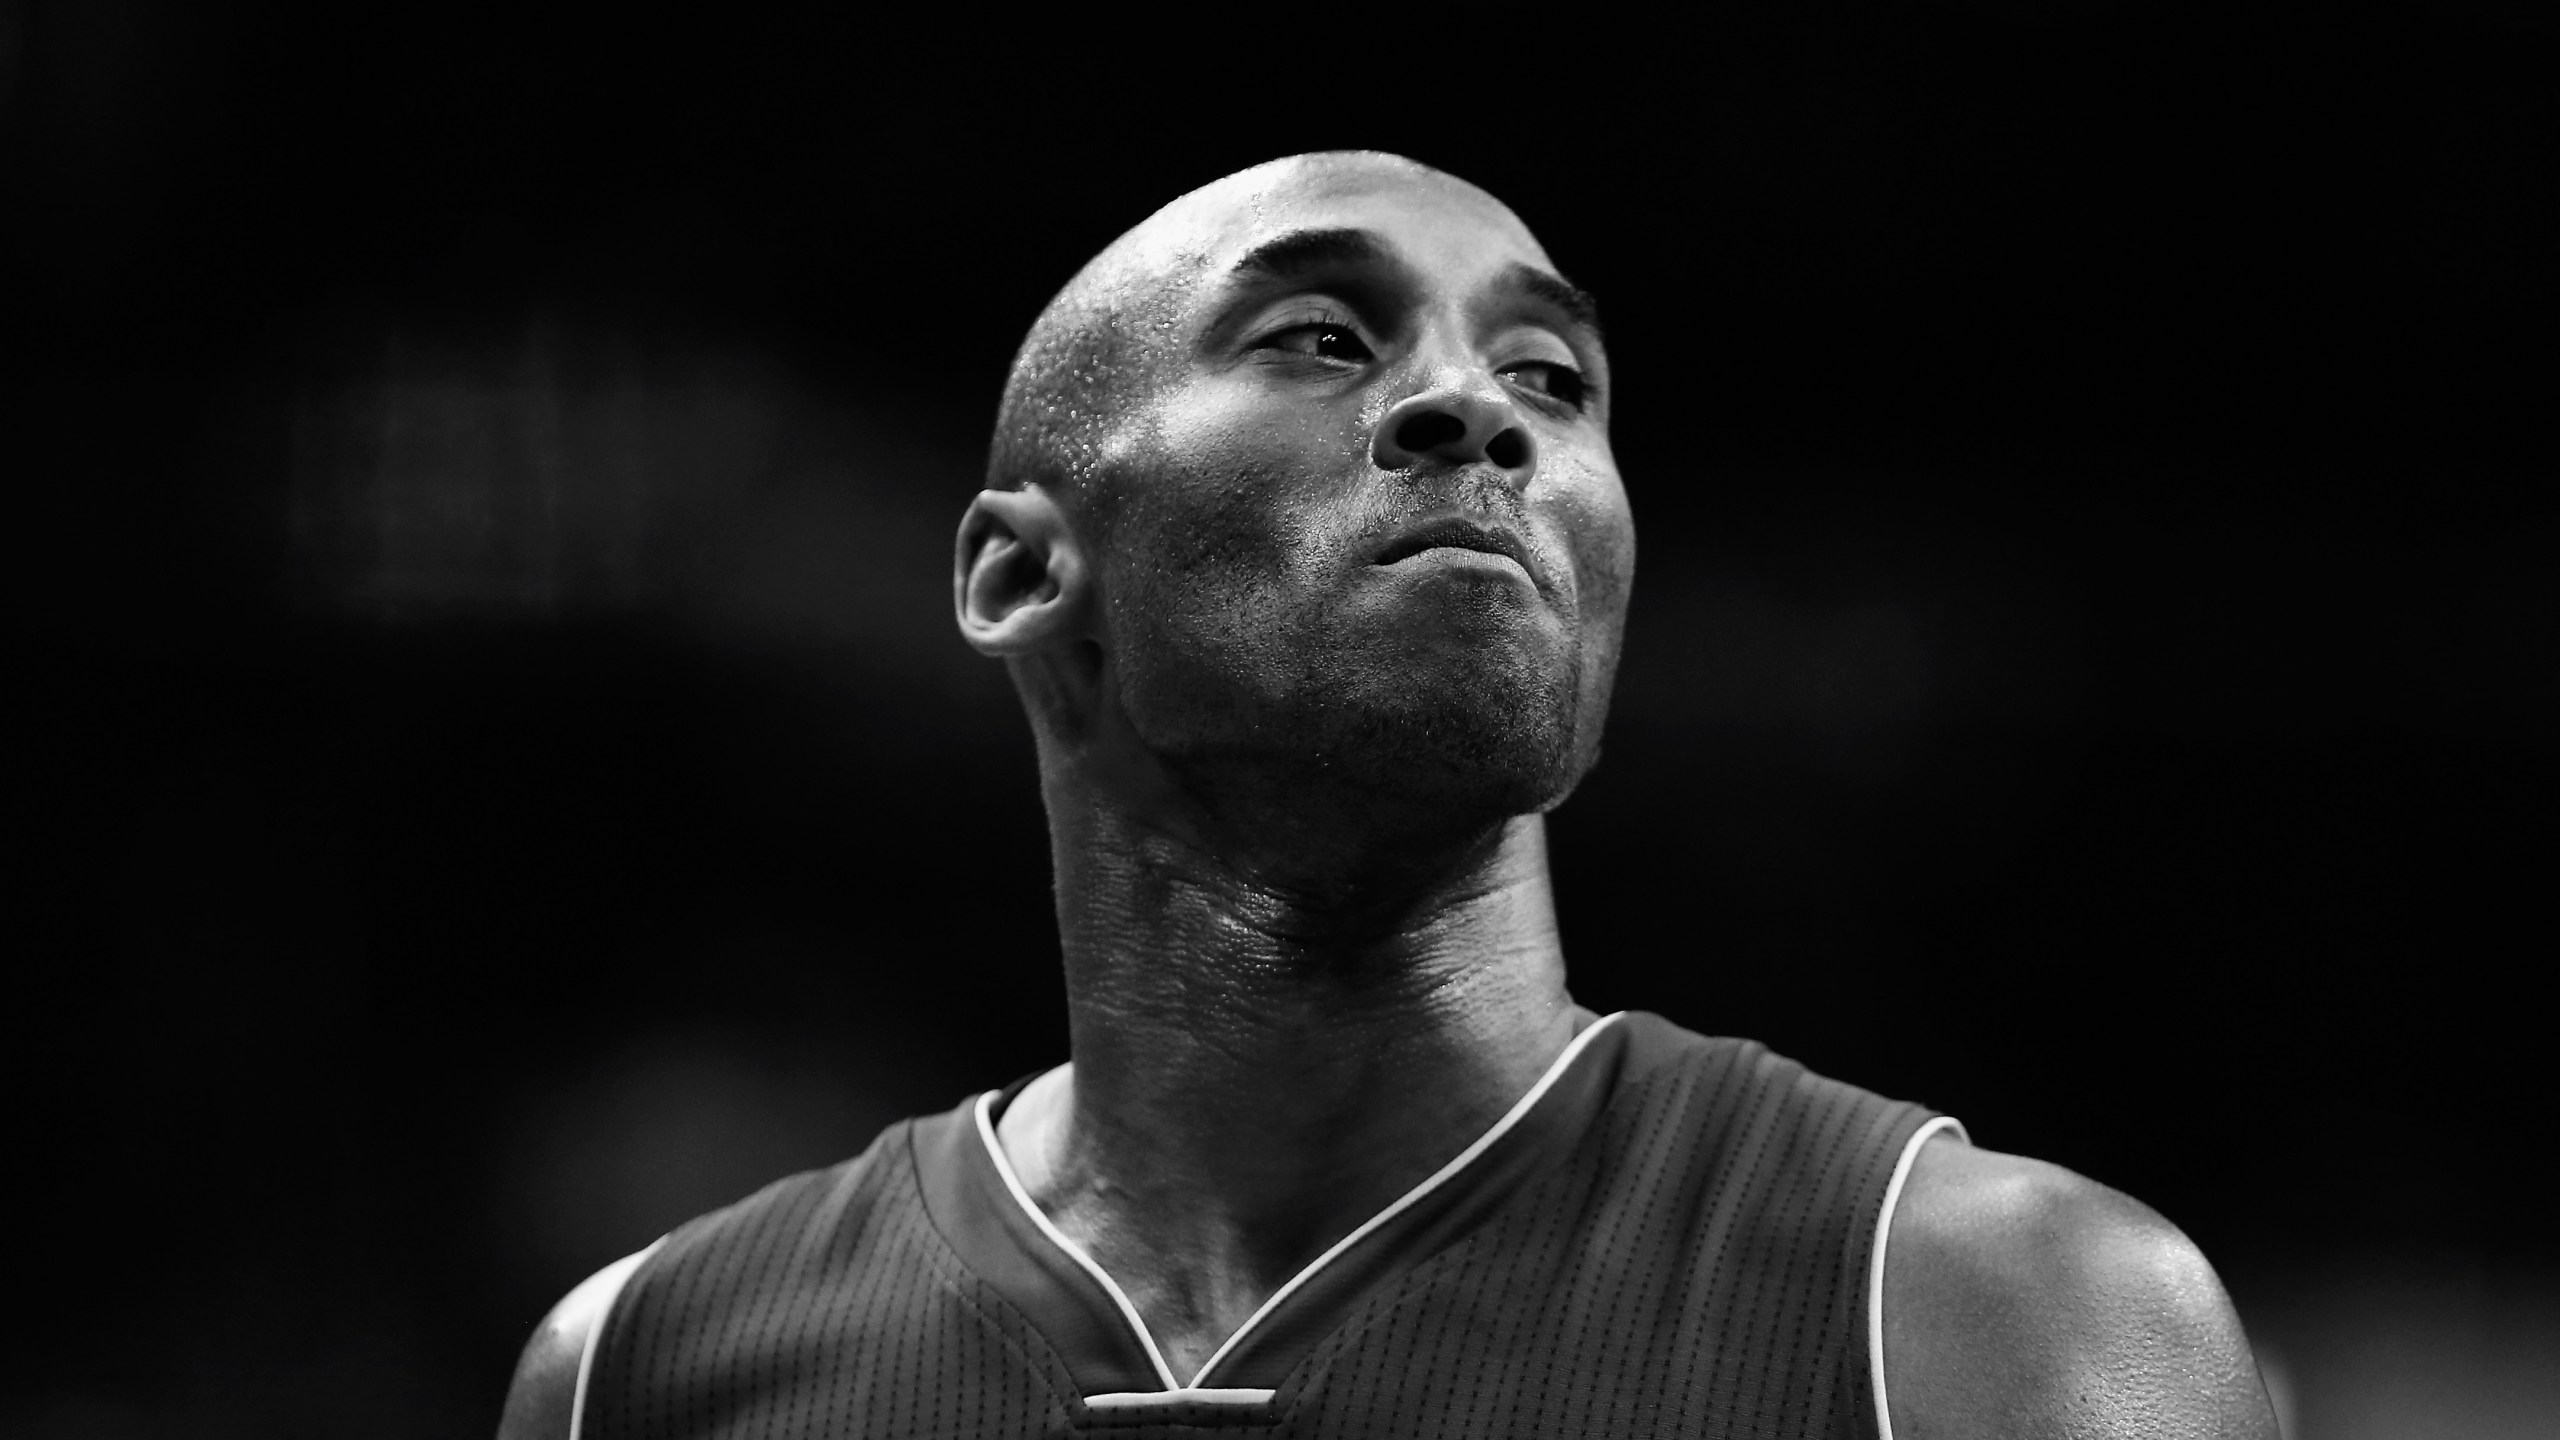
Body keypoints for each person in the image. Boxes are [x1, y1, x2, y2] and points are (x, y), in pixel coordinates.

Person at [498, 152, 2280, 1439]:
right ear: (1018, 579)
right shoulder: (649, 1368)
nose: (1473, 412)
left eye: (1550, 379)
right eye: (1320, 340)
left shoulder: (2003, 1316)